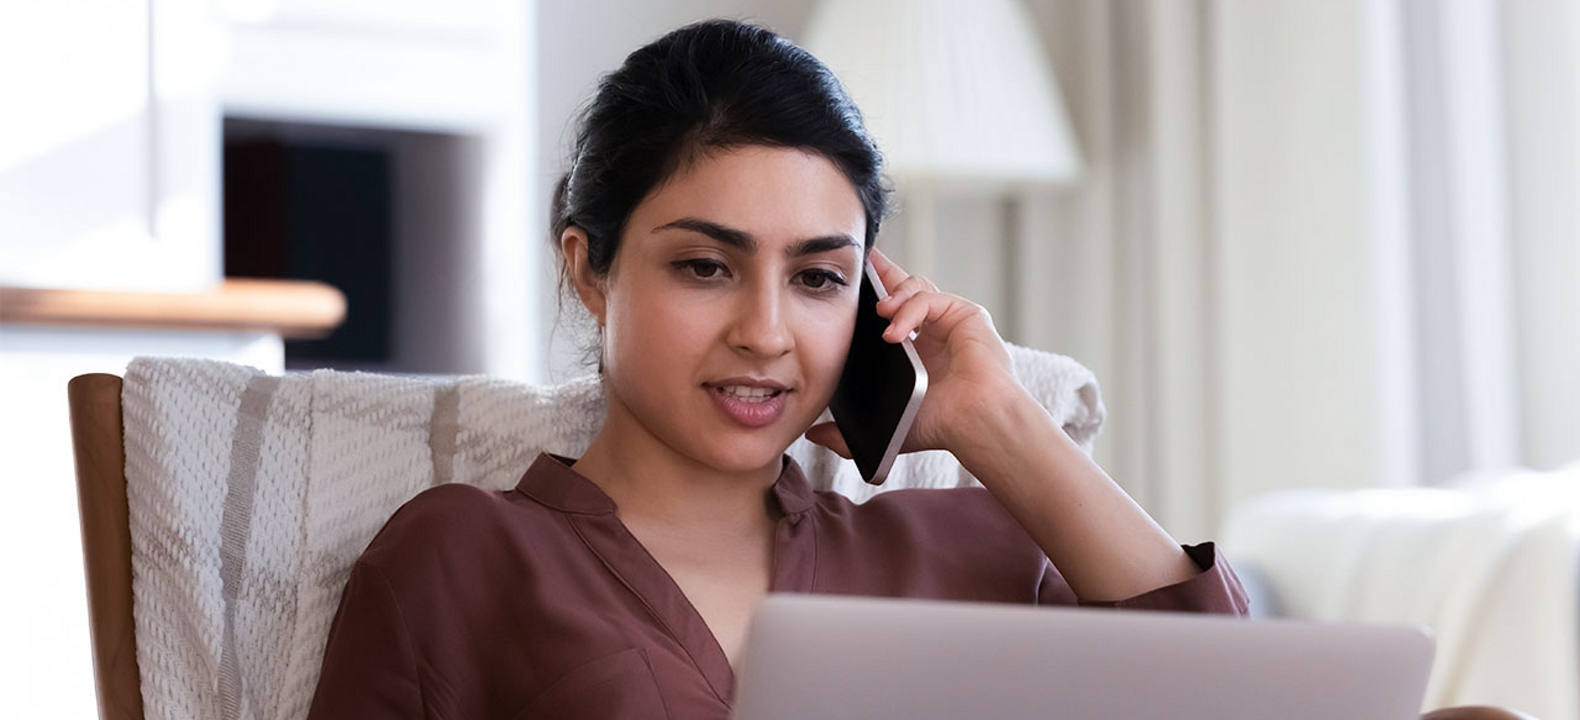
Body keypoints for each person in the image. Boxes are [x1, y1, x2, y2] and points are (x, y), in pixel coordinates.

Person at [307, 18, 1247, 719]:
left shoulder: (969, 552)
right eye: (704, 266)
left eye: (817, 277)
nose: (765, 333)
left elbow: (1232, 693)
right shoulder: (464, 558)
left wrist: (996, 417)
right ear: (589, 271)